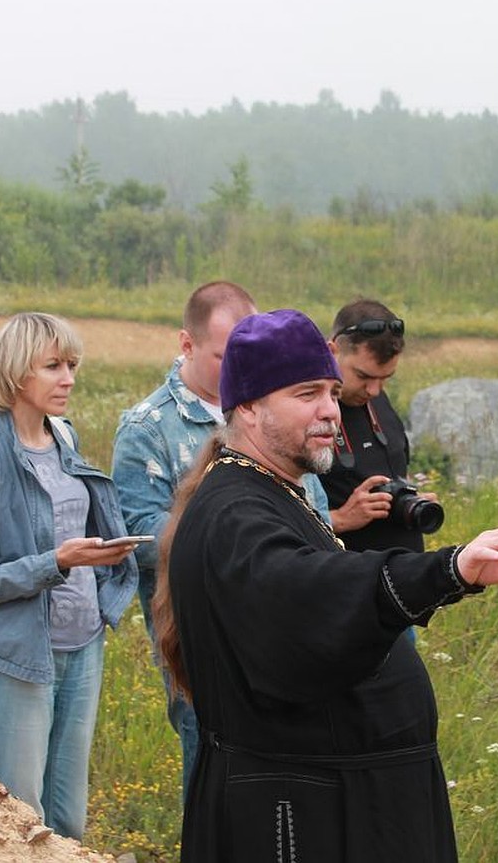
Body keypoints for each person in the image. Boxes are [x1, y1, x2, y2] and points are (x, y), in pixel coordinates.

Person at [154, 309, 498, 862]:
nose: (329, 411)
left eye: (332, 392)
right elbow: (310, 592)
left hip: (332, 798)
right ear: (247, 403)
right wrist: (444, 571)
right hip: (296, 814)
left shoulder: (270, 490)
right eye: (307, 393)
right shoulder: (235, 512)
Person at [111, 281, 330, 798]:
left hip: (283, 633)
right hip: (201, 639)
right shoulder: (149, 428)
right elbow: (142, 534)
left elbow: (313, 512)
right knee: (212, 772)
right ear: (186, 345)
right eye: (225, 354)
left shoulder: (276, 412)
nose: (239, 366)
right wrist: (242, 551)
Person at [0, 312, 138, 840]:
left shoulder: (66, 439)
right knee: (19, 822)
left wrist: (102, 564)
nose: (68, 378)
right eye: (52, 365)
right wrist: (58, 562)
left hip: (83, 647)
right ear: (14, 373)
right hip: (17, 657)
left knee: (69, 821)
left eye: (72, 364)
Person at [322, 298, 433, 553]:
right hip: (343, 576)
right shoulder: (302, 411)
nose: (374, 390)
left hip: (403, 573)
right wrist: (339, 519)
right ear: (332, 351)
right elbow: (278, 514)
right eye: (364, 376)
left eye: (385, 379)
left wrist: (409, 500)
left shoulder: (377, 398)